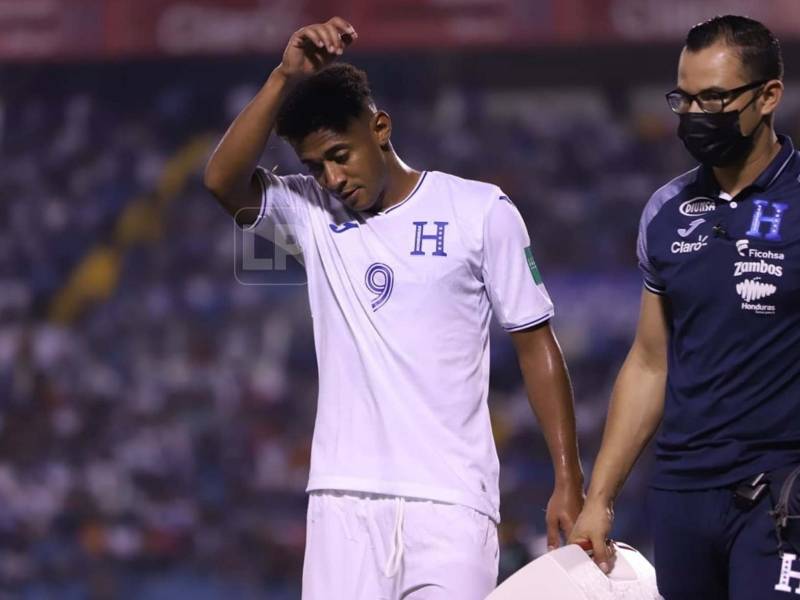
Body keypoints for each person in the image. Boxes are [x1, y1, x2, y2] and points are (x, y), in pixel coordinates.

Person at [204, 16, 584, 600]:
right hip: (343, 502)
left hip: (453, 504)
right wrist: (284, 76)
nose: (331, 177)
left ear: (379, 127)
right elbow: (222, 181)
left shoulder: (480, 211)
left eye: (339, 154)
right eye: (314, 166)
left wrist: (568, 479)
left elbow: (537, 346)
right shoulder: (310, 214)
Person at [569, 14, 800, 600]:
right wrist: (599, 498)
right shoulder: (665, 210)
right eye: (685, 98)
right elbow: (650, 362)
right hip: (681, 494)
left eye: (715, 98)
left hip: (782, 490)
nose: (696, 115)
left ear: (769, 95)